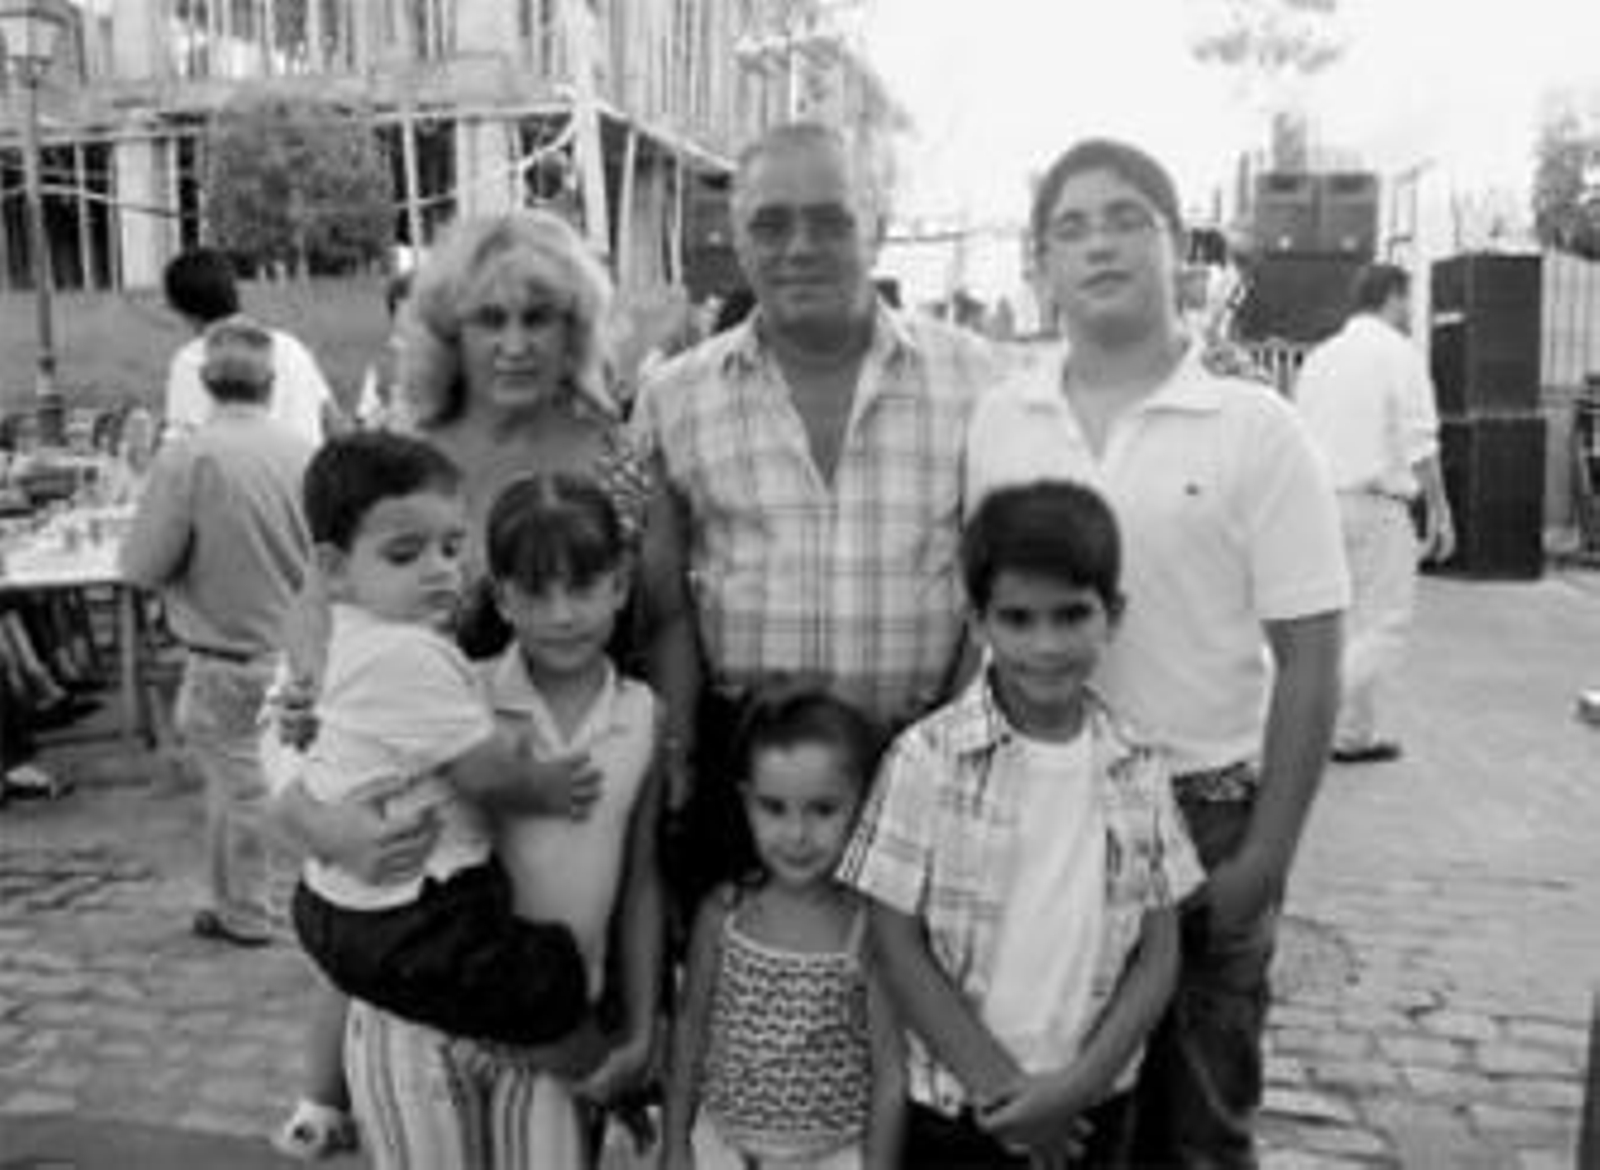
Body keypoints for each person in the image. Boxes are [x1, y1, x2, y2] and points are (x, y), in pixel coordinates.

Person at [964, 138, 1349, 1167]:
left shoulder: (1255, 430)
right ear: (1040, 260)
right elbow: (985, 627)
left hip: (1202, 817)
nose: (1100, 245)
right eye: (1071, 226)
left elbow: (1310, 657)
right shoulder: (1001, 419)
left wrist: (1263, 860)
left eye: (1127, 218)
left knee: (1198, 1123)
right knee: (1059, 1123)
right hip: (1039, 817)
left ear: (1178, 248)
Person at [631, 121, 1000, 900]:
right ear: (735, 239)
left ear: (878, 229)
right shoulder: (674, 400)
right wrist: (679, 757)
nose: (799, 246)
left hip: (921, 770)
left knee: (904, 1006)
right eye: (769, 224)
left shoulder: (976, 382)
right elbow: (663, 607)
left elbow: (993, 593)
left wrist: (965, 765)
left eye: (830, 220)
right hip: (752, 787)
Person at [839, 481, 1203, 1168]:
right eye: (1018, 619)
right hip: (955, 1108)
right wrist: (1004, 1094)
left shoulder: (1139, 767)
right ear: (977, 622)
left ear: (1112, 615)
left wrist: (1078, 1089)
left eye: (1072, 616)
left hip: (1092, 1110)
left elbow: (1158, 956)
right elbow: (893, 939)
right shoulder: (927, 759)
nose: (1047, 645)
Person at [332, 470, 666, 1169]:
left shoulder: (642, 717)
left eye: (582, 587)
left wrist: (638, 1029)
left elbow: (640, 884)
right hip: (425, 1024)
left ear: (621, 584)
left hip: (555, 1028)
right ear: (503, 597)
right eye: (536, 593)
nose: (563, 615)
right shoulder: (457, 697)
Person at [268, 431, 593, 1044]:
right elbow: (485, 774)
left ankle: (322, 1106)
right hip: (419, 913)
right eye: (405, 555)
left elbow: (285, 724)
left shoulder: (325, 636)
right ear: (335, 569)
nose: (440, 570)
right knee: (555, 981)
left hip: (327, 903)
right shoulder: (408, 650)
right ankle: (611, 1078)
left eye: (451, 547)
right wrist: (546, 782)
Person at [120, 316, 317, 947]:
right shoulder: (302, 454)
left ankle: (248, 911)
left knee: (240, 789)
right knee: (238, 785)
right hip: (294, 647)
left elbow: (142, 566)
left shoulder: (190, 457)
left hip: (225, 650)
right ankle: (231, 901)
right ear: (271, 382)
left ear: (205, 381)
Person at [398, 209, 653, 662]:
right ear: (451, 335)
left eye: (537, 319)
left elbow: (667, 620)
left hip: (596, 730)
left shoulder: (622, 462)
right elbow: (322, 605)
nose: (515, 346)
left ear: (573, 333)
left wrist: (670, 733)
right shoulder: (395, 463)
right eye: (490, 320)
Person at [663, 689, 904, 1170]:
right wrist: (676, 1145)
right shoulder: (725, 912)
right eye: (774, 808)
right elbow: (690, 1032)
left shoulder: (870, 927)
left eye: (822, 810)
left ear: (864, 805)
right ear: (746, 801)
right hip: (721, 1147)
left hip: (832, 1156)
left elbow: (890, 1074)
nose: (796, 835)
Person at [1293, 262, 1455, 764]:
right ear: (1392, 297)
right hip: (1376, 504)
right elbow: (1419, 441)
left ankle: (1352, 736)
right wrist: (1441, 511)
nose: (1412, 310)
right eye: (1409, 299)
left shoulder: (1320, 358)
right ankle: (1289, 715)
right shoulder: (1398, 354)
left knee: (1345, 625)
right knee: (1385, 626)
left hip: (1318, 508)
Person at [161, 247, 342, 447]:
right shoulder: (292, 346)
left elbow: (178, 446)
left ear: (184, 310)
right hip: (312, 473)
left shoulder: (192, 359)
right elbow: (334, 422)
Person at [354, 271, 413, 430]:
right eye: (408, 309)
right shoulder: (381, 364)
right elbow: (364, 420)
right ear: (394, 313)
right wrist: (382, 416)